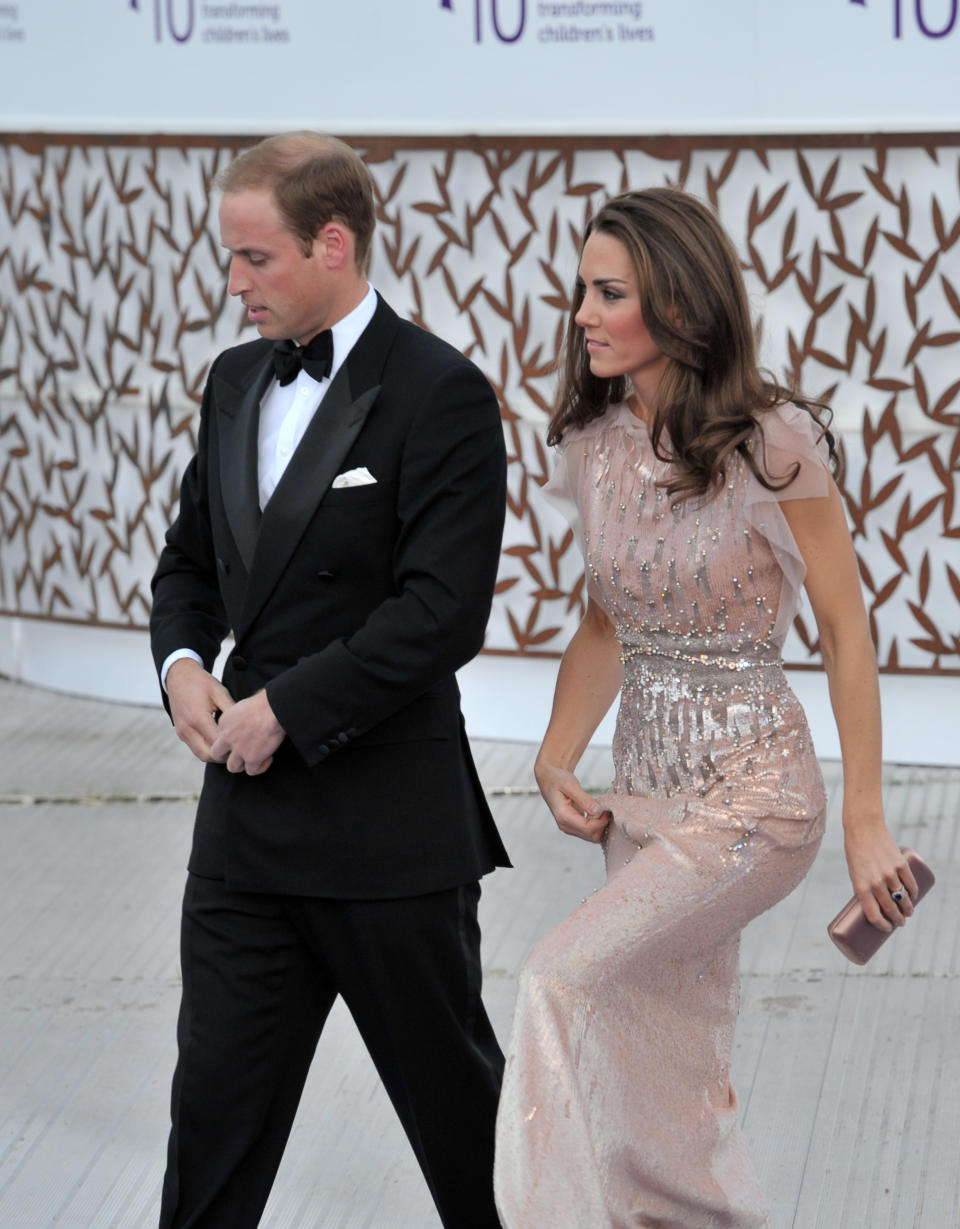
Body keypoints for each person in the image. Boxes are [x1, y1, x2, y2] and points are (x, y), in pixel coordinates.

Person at [493, 187, 917, 1228]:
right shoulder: (592, 446)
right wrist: (557, 752)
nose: (582, 313)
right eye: (582, 291)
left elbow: (846, 630)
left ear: (678, 304)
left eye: (607, 292)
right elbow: (607, 620)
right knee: (666, 1073)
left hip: (755, 796)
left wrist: (866, 821)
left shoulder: (772, 444)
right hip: (645, 792)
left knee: (557, 980)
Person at [149, 131, 509, 1229]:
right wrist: (179, 667)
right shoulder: (231, 381)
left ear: (333, 243)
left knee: (465, 1136)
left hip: (389, 838)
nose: (234, 282)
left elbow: (440, 613)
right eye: (231, 258)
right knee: (210, 1126)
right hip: (246, 841)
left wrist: (286, 710)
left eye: (256, 258)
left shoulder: (441, 391)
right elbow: (189, 567)